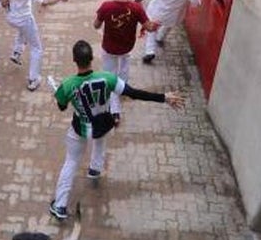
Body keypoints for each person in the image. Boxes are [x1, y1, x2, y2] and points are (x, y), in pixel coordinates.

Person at [48, 40, 184, 220]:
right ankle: (95, 169)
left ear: (74, 60)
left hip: (80, 129)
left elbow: (62, 107)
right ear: (92, 58)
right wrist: (163, 98)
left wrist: (58, 93)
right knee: (100, 141)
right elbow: (134, 93)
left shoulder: (68, 84)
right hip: (103, 124)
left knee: (71, 162)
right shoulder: (108, 78)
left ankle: (60, 206)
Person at [0, 0, 71, 92]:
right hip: (23, 18)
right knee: (36, 48)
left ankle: (17, 52)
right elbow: (43, 1)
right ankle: (33, 79)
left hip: (10, 16)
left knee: (23, 31)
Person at [94, 0, 157, 124]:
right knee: (123, 70)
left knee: (110, 77)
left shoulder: (106, 6)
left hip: (109, 48)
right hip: (126, 47)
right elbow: (150, 27)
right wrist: (158, 22)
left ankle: (114, 111)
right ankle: (122, 89)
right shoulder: (136, 8)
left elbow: (96, 25)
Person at [142, 0, 202, 64]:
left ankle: (150, 51)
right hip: (174, 14)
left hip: (157, 11)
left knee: (152, 31)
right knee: (167, 26)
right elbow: (196, 3)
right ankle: (160, 38)